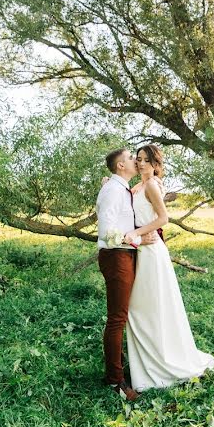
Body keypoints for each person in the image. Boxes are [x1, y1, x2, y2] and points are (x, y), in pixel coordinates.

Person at [123, 144, 214, 392]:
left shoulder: (152, 184)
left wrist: (137, 233)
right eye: (138, 159)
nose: (141, 163)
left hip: (151, 252)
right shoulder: (136, 187)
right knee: (139, 309)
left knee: (150, 307)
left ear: (155, 164)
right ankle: (146, 363)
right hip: (140, 248)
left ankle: (162, 363)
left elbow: (162, 219)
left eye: (146, 160)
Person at [95, 148, 158, 401]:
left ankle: (125, 367)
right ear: (121, 166)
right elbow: (106, 232)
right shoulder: (112, 190)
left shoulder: (119, 188)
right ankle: (115, 380)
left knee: (123, 315)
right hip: (116, 255)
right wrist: (137, 240)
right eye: (132, 157)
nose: (136, 161)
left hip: (124, 254)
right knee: (117, 318)